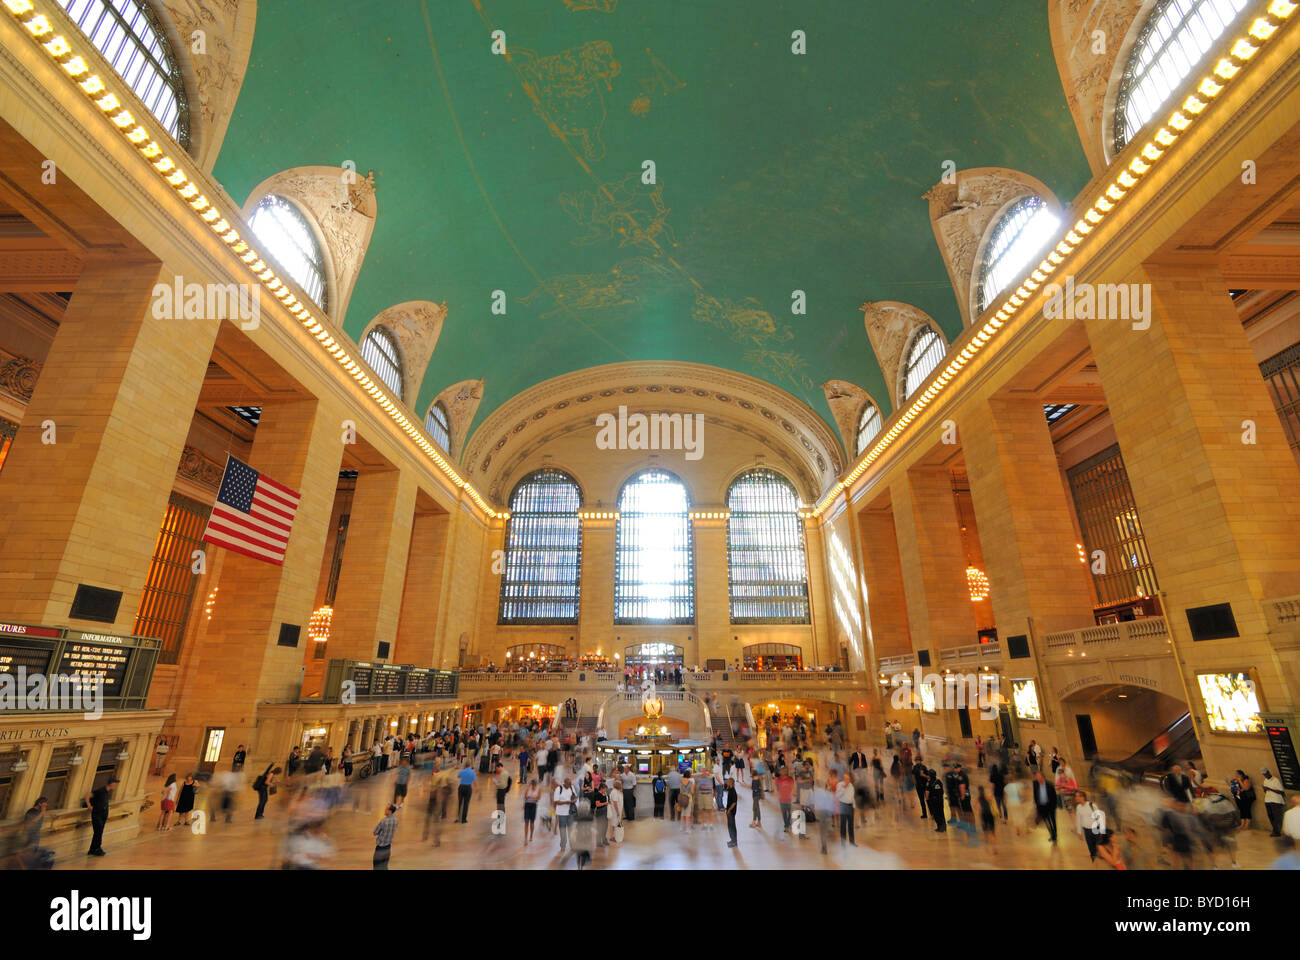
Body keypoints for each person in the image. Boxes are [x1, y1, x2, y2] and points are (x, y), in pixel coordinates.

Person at [84, 777, 118, 857]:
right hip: (97, 814)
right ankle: (96, 849)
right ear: (112, 783)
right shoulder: (101, 790)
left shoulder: (107, 792)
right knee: (98, 832)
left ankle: (94, 849)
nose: (116, 785)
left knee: (99, 832)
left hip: (103, 814)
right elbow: (88, 796)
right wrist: (89, 805)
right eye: (115, 783)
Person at [1032, 771, 1058, 844]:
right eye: (1036, 777)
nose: (1036, 778)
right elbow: (1035, 796)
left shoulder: (1050, 785)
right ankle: (1052, 834)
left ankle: (1055, 835)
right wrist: (1037, 806)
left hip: (1050, 806)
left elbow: (1054, 797)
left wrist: (1054, 806)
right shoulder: (1035, 784)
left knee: (1053, 821)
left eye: (1038, 776)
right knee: (1046, 822)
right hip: (1041, 806)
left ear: (1042, 777)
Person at [553, 776, 577, 852]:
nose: (569, 786)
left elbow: (575, 796)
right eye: (568, 785)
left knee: (571, 829)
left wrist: (574, 800)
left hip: (570, 812)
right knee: (562, 830)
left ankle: (572, 845)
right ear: (564, 783)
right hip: (561, 813)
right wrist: (566, 802)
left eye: (570, 784)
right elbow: (556, 801)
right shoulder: (558, 789)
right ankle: (563, 845)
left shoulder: (571, 787)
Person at [372, 803, 398, 870]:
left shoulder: (384, 821)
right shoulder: (396, 820)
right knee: (384, 866)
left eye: (386, 809)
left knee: (377, 866)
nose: (384, 810)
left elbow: (375, 832)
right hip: (388, 847)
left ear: (390, 811)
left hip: (380, 847)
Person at [1262, 768, 1286, 836]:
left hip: (1276, 801)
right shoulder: (1265, 781)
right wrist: (1264, 789)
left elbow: (1281, 791)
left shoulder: (1276, 780)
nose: (1265, 775)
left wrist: (1270, 789)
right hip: (1267, 800)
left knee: (1277, 817)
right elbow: (1265, 791)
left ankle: (1277, 831)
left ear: (1268, 772)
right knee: (1271, 816)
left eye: (1266, 773)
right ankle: (1275, 830)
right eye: (1264, 774)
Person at [835, 772, 856, 846]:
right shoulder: (840, 785)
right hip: (843, 806)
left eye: (849, 779)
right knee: (843, 825)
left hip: (850, 807)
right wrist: (844, 788)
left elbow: (852, 797)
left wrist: (854, 806)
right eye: (846, 779)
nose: (848, 780)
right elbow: (837, 796)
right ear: (843, 779)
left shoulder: (851, 786)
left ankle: (852, 842)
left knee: (851, 825)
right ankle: (843, 843)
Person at [775, 766, 795, 833]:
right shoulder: (778, 779)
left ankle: (788, 824)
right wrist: (778, 795)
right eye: (782, 770)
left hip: (788, 799)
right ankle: (786, 825)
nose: (783, 772)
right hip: (781, 799)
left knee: (789, 813)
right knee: (784, 813)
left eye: (784, 770)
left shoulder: (790, 779)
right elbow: (776, 788)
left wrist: (792, 795)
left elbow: (793, 788)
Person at [523, 777, 542, 843]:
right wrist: (533, 798)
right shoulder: (528, 789)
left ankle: (531, 836)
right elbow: (525, 797)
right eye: (532, 784)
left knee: (532, 822)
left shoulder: (538, 789)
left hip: (533, 805)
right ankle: (525, 837)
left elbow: (539, 798)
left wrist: (531, 797)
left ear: (536, 784)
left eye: (534, 784)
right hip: (527, 805)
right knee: (526, 821)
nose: (533, 785)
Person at [724, 776, 739, 848]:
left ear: (730, 783)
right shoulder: (730, 789)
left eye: (728, 781)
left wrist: (729, 810)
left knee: (732, 826)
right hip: (729, 811)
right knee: (730, 826)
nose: (726, 782)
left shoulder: (733, 791)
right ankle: (732, 840)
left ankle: (734, 842)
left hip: (731, 812)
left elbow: (734, 802)